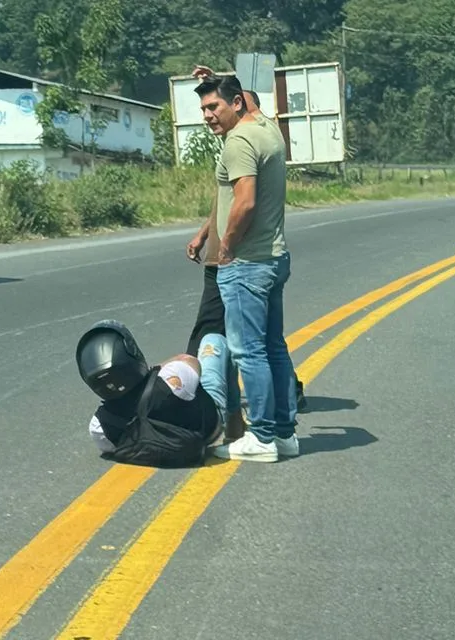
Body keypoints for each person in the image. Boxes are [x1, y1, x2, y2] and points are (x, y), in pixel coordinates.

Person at [193, 74, 297, 463]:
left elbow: (245, 202)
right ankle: (285, 434)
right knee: (274, 348)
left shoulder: (238, 142)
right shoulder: (267, 129)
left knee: (248, 353)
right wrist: (218, 78)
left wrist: (229, 247)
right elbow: (249, 101)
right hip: (274, 257)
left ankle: (263, 438)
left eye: (214, 106)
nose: (207, 115)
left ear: (236, 103)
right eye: (203, 109)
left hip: (248, 263)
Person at [78, 320, 224, 467]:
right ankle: (235, 424)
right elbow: (190, 361)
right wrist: (153, 371)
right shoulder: (170, 379)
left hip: (160, 450)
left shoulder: (99, 426)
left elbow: (111, 447)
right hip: (210, 428)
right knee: (213, 340)